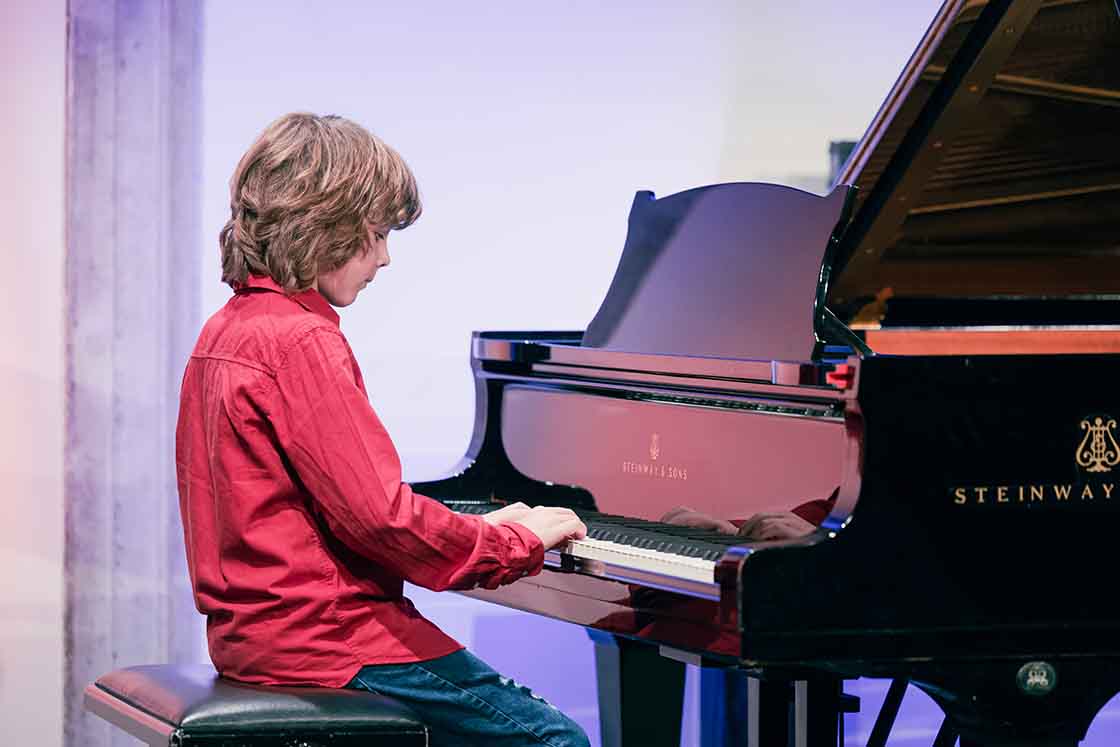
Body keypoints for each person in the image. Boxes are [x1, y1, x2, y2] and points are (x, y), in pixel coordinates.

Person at [175, 112, 591, 747]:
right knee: (557, 740)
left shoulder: (227, 330)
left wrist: (479, 530)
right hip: (330, 640)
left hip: (253, 640)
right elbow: (381, 520)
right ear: (323, 226)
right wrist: (509, 541)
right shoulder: (301, 341)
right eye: (376, 234)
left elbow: (330, 509)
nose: (385, 257)